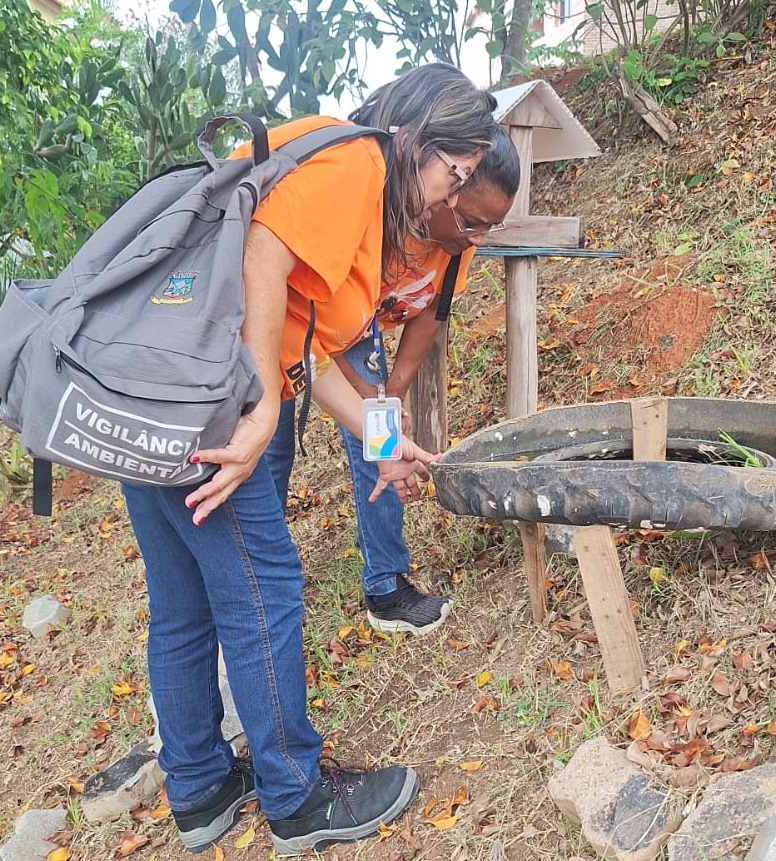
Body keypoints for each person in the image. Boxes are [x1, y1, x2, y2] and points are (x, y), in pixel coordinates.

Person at [120, 63, 497, 856]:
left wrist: (384, 446)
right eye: (455, 173)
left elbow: (312, 352)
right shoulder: (359, 160)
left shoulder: (341, 176)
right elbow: (263, 252)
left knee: (182, 601)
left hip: (156, 385)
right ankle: (296, 795)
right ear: (414, 138)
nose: (450, 196)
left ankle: (200, 787)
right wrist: (262, 410)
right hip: (212, 403)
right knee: (264, 589)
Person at [267, 125, 520, 636]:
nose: (478, 237)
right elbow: (324, 333)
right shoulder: (373, 216)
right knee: (273, 443)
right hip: (300, 315)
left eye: (489, 227)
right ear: (446, 192)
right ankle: (262, 577)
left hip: (357, 330)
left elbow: (432, 313)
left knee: (382, 441)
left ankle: (384, 585)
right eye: (472, 222)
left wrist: (392, 394)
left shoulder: (456, 243)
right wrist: (375, 406)